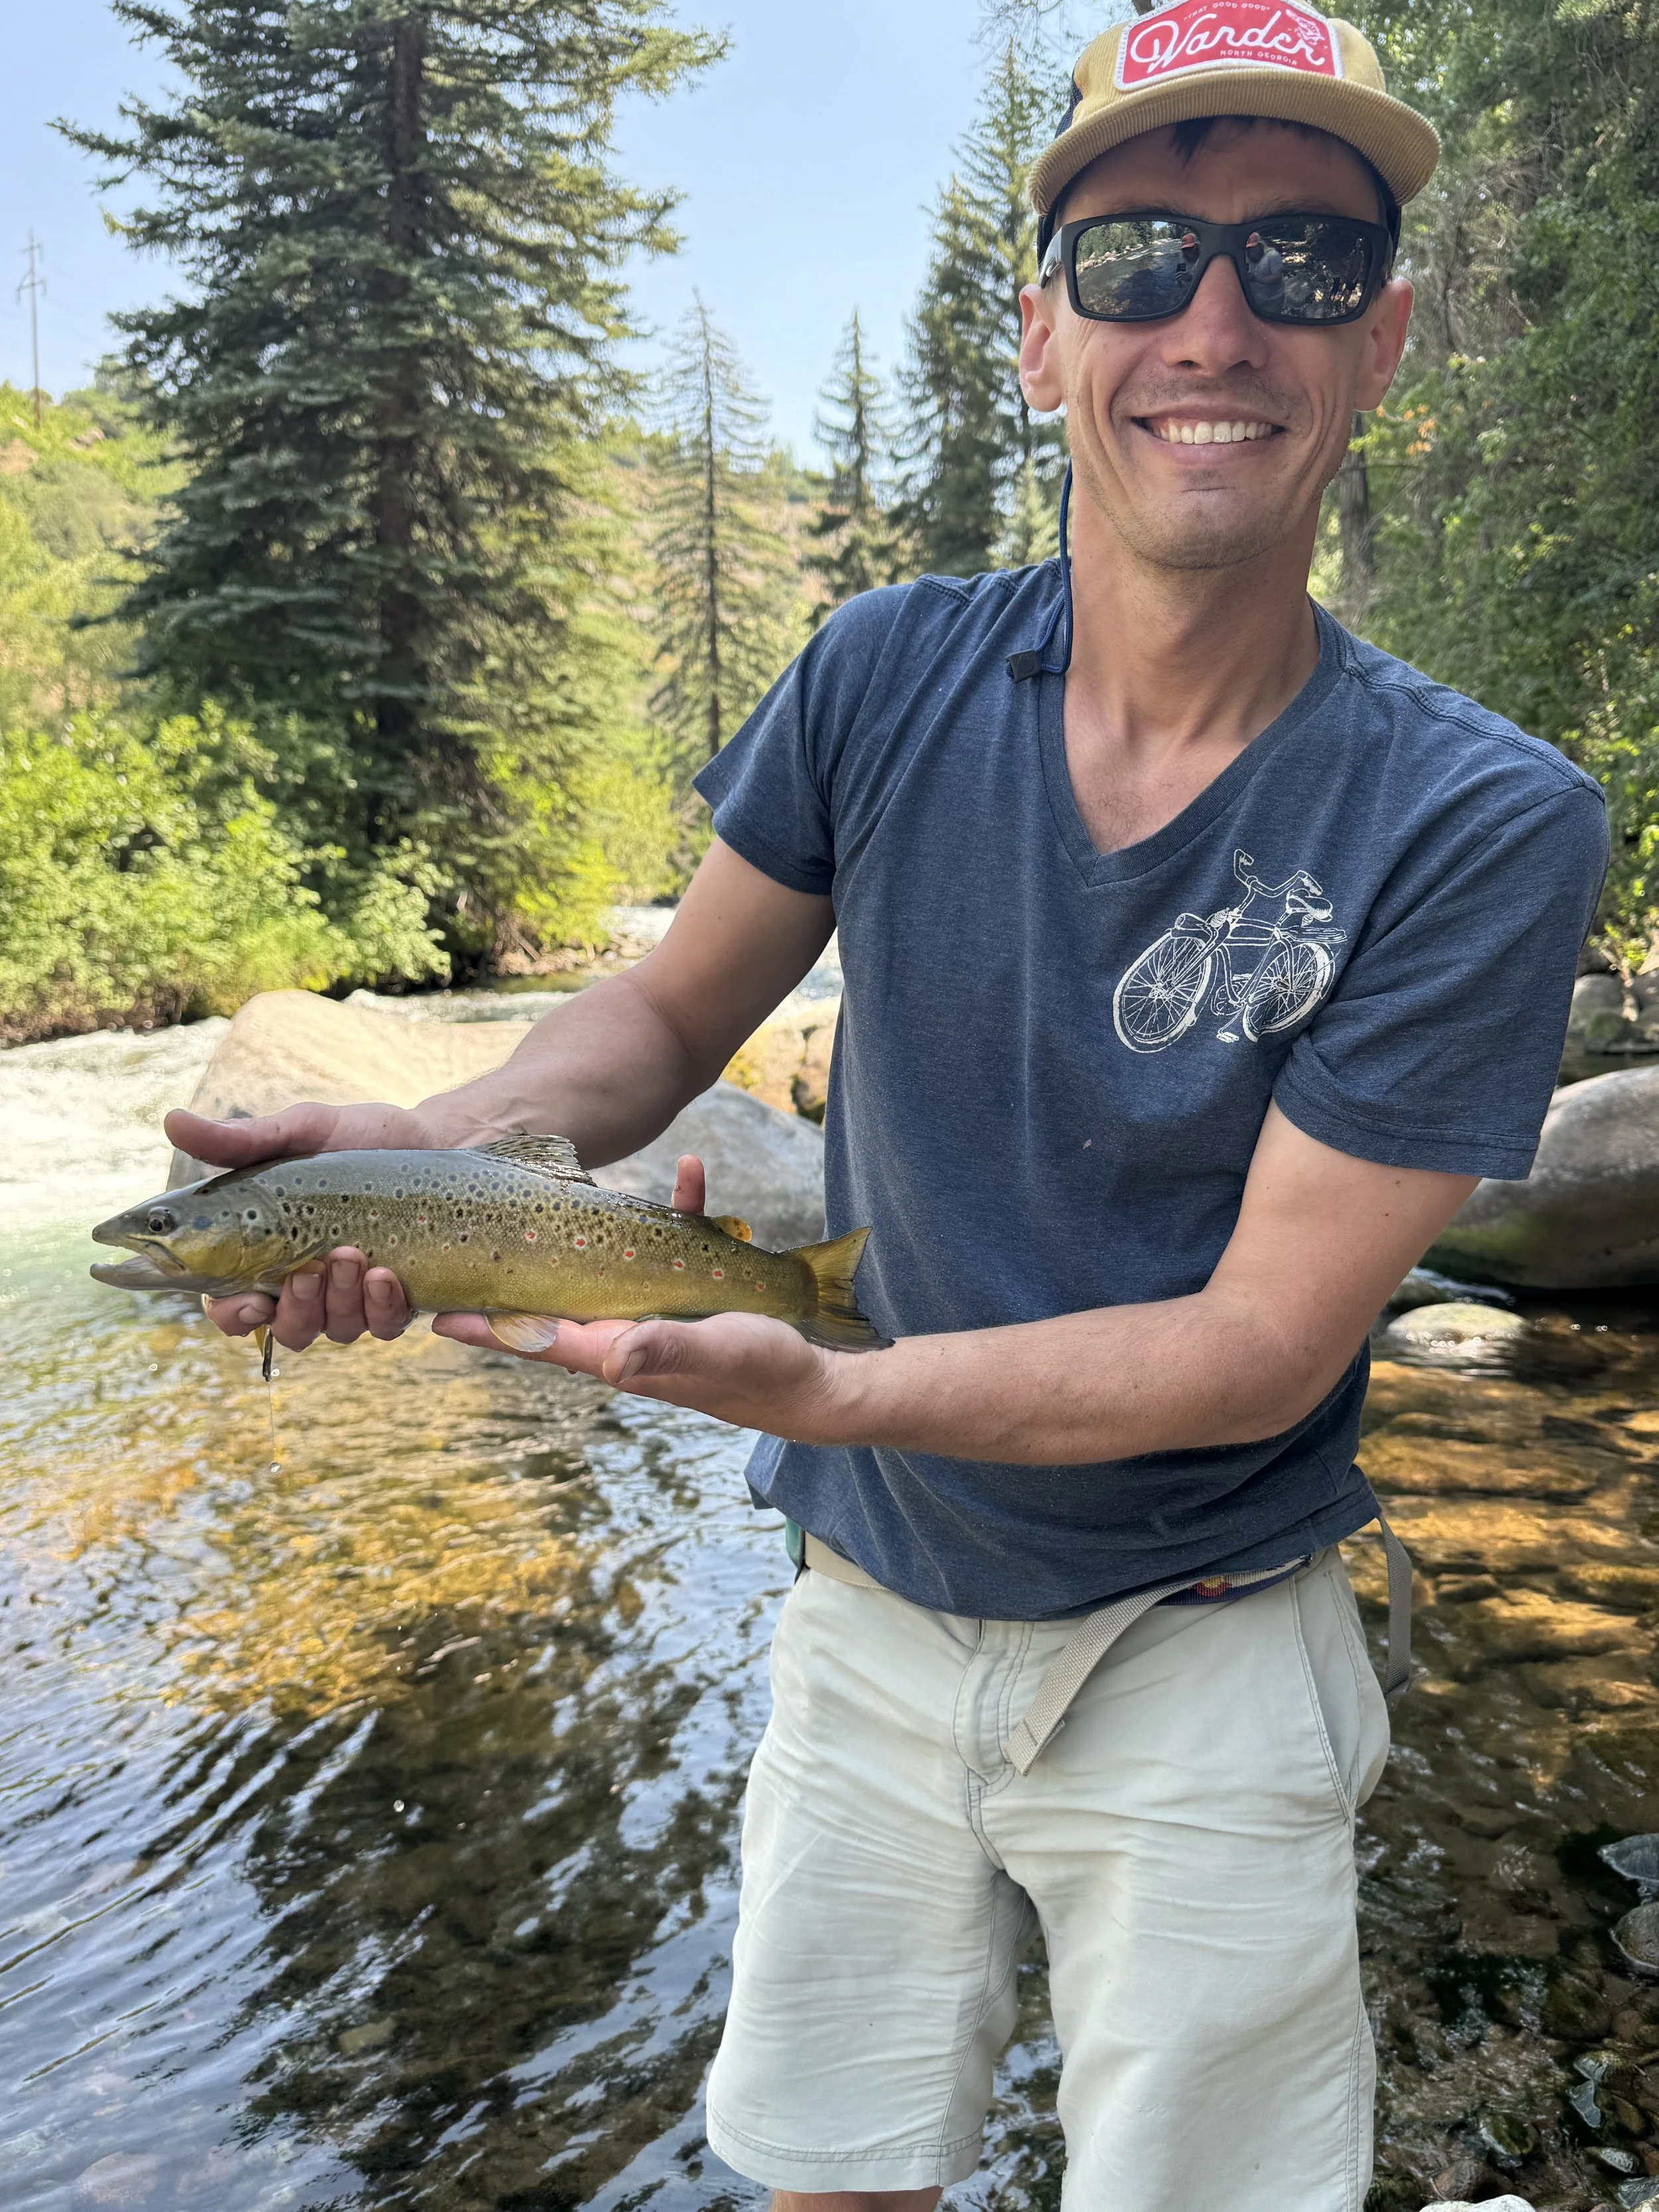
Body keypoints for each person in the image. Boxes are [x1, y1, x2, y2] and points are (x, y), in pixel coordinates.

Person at [176, 5, 1609, 2203]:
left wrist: (815, 1388)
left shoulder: (1477, 820)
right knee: (829, 2177)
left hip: (1207, 1642)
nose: (1211, 321)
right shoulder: (881, 669)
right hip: (864, 1613)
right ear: (1041, 338)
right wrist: (402, 1159)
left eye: (1299, 262)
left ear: (1383, 339)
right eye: (1135, 257)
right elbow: (657, 1021)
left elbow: (1255, 1344)